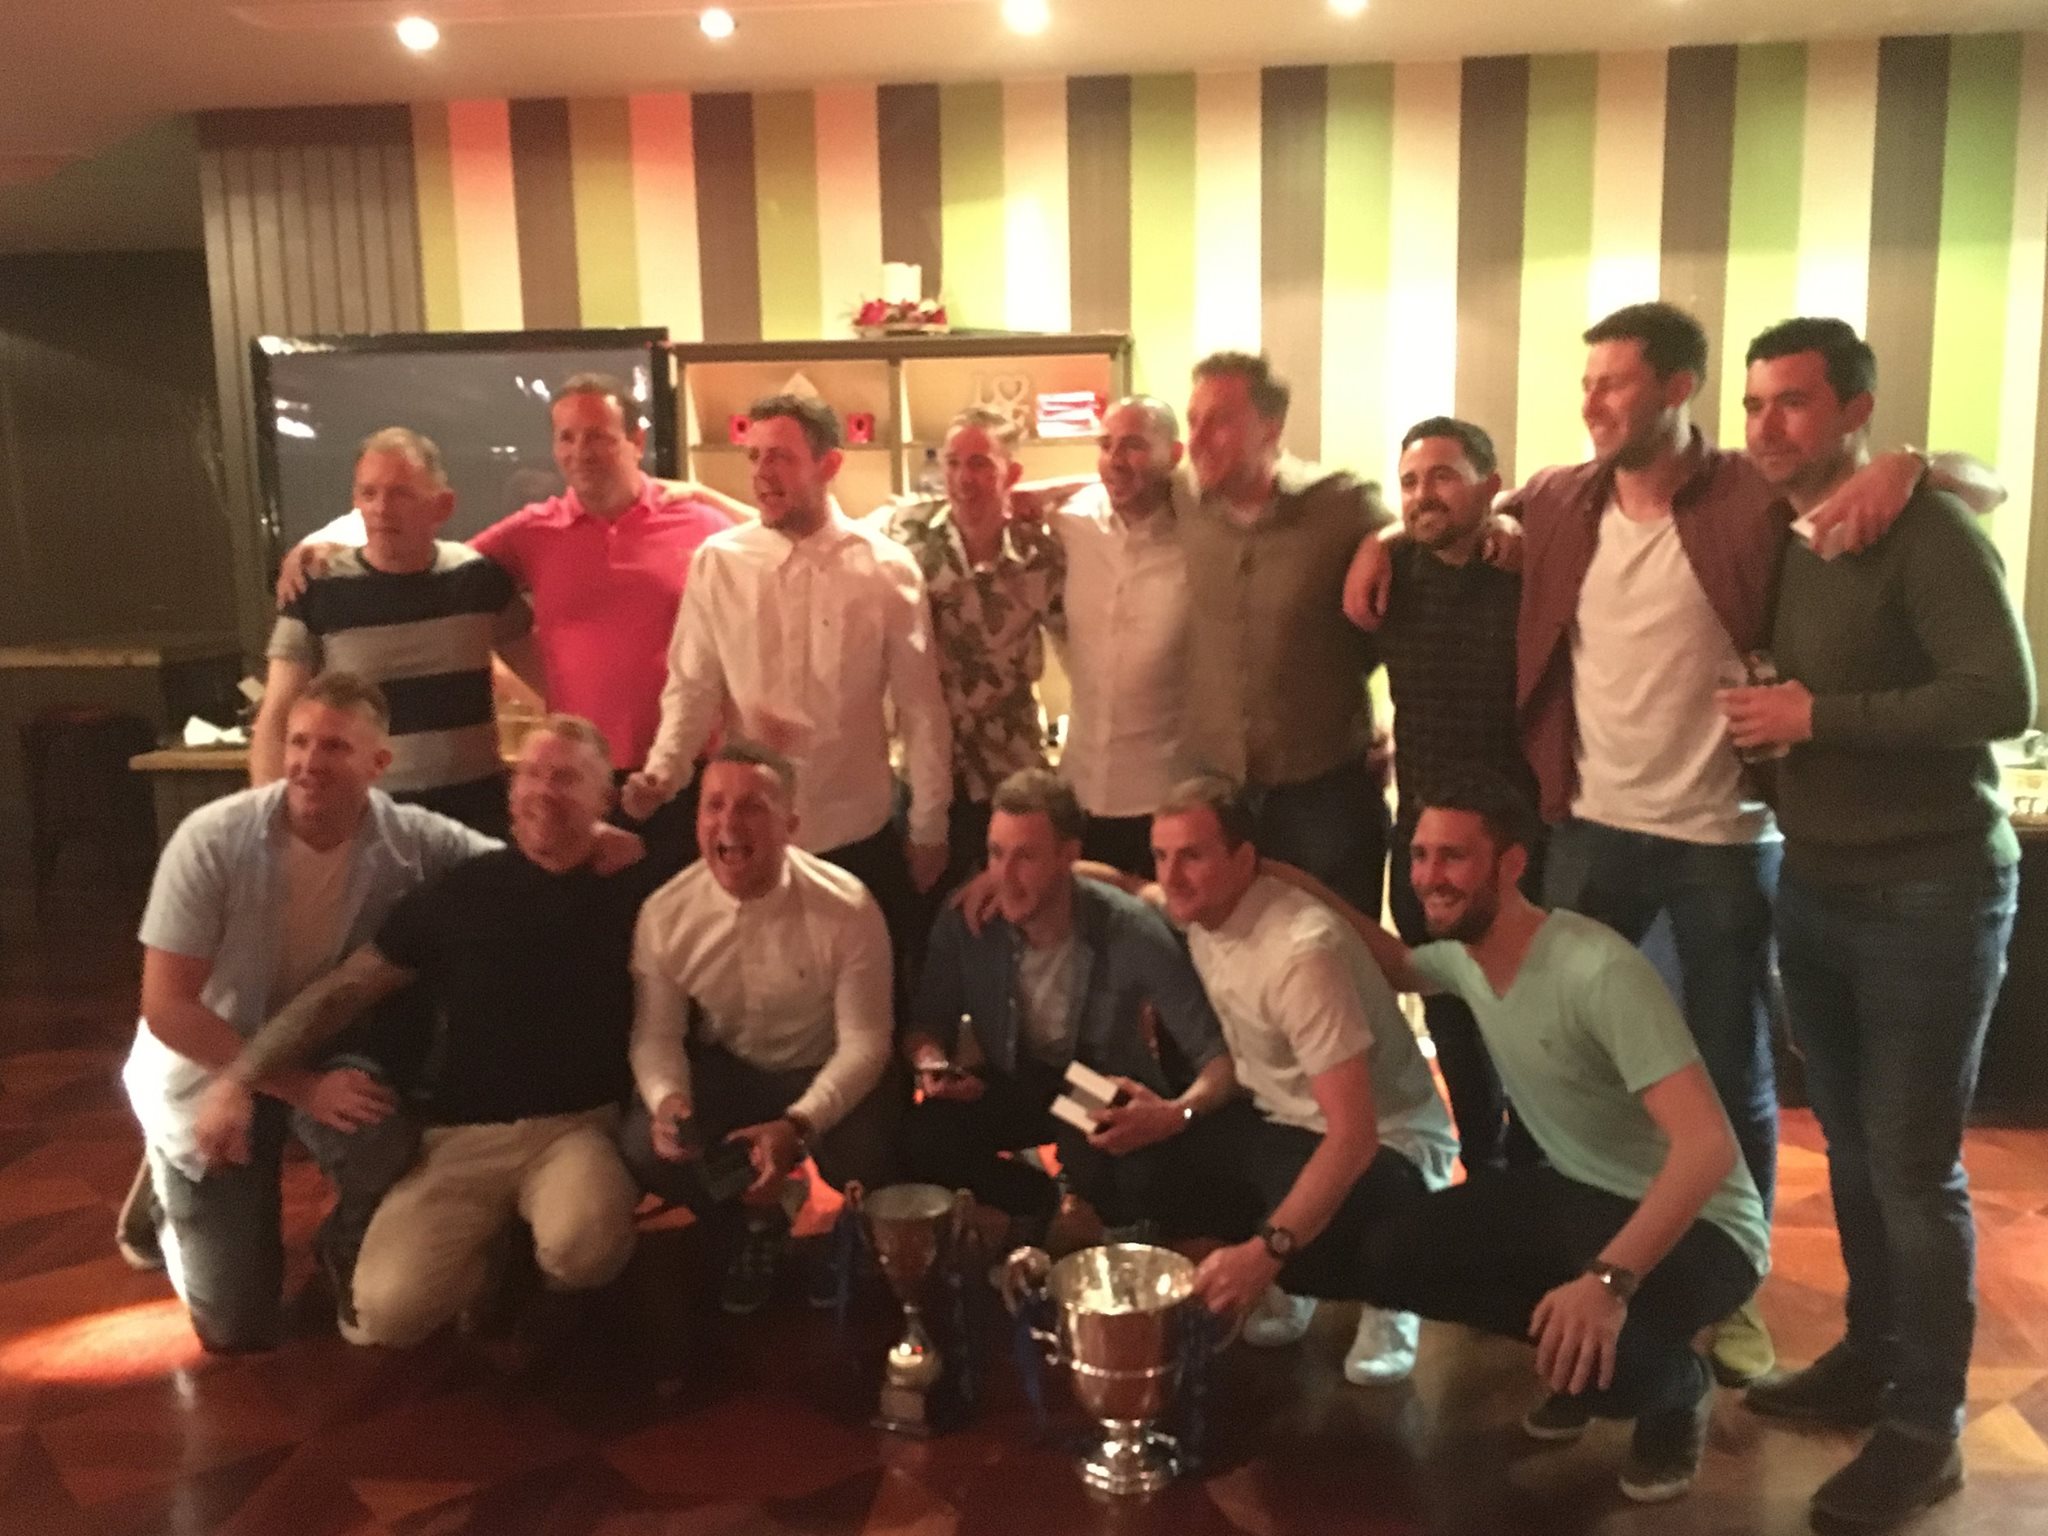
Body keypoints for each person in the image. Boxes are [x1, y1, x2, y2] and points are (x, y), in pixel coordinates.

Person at [1348, 300, 2003, 1387]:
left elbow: (1974, 486)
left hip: (1723, 837)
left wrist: (1907, 463)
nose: (1592, 403)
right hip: (1588, 825)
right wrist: (1379, 537)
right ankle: (1572, 1260)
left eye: (1612, 383)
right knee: (1553, 1049)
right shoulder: (1560, 498)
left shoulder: (1756, 491)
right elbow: (1451, 510)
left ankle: (1726, 1288)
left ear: (1676, 388)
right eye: (1587, 384)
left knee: (1731, 1074)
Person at [1720, 318, 2034, 1529]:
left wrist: (1815, 717)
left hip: (1930, 891)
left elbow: (1999, 696)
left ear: (1854, 411)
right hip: (1817, 882)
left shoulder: (1926, 530)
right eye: (1754, 403)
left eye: (1792, 402)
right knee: (1849, 1150)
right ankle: (1870, 1352)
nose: (1766, 426)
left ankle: (1924, 1427)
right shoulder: (1789, 534)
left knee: (1910, 1166)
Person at [1338, 774, 1769, 1503]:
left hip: (1708, 1227)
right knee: (1391, 1255)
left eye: (1453, 857)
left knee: (1614, 1357)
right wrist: (1274, 877)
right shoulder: (1464, 957)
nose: (1428, 877)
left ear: (1510, 864)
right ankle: (1579, 1361)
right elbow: (1394, 964)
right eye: (1419, 855)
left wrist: (1606, 1284)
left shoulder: (1597, 970)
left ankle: (1675, 1387)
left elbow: (1707, 1150)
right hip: (1575, 1192)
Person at [190, 716, 663, 1348]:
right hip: (458, 1139)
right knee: (386, 1316)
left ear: (604, 799)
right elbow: (344, 991)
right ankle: (494, 1261)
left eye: (566, 778)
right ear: (510, 791)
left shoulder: (638, 888)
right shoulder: (463, 888)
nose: (543, 791)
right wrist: (240, 1078)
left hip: (576, 1129)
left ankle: (545, 1277)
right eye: (530, 774)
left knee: (586, 1245)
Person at [122, 672, 494, 1352]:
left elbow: (511, 873)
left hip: (320, 1051)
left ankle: (341, 1246)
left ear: (379, 763)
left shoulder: (411, 839)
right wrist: (294, 1088)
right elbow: (167, 1008)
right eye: (298, 742)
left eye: (334, 747)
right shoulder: (212, 841)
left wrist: (592, 838)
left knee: (382, 1135)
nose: (307, 763)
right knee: (236, 1327)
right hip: (208, 1063)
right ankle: (165, 1187)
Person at [282, 376, 741, 874]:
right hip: (581, 782)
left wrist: (706, 493)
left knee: (691, 915)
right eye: (566, 437)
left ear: (636, 440)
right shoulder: (532, 531)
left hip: (688, 770)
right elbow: (422, 558)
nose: (580, 451)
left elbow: (779, 540)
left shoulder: (699, 522)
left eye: (597, 436)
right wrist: (324, 544)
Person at [626, 394, 953, 965]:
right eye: (754, 457)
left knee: (871, 994)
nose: (761, 474)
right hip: (748, 840)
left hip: (854, 831)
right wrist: (664, 772)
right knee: (755, 997)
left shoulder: (887, 568)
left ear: (830, 464)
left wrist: (929, 826)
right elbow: (692, 689)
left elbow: (921, 711)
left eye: (780, 456)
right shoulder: (718, 561)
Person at [1155, 775, 1459, 1386]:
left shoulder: (1301, 953)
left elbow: (1354, 1137)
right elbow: (1126, 887)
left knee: (1327, 1205)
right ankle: (1303, 1278)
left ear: (1244, 859)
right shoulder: (1202, 909)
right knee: (1162, 1164)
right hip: (1286, 1121)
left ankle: (1391, 1294)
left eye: (1191, 856)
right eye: (1161, 856)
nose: (1171, 876)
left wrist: (1264, 1253)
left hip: (1389, 1141)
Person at [623, 741, 899, 1315]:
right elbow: (656, 1036)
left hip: (825, 1067)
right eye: (714, 805)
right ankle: (755, 1222)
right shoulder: (664, 914)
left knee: (874, 1153)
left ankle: (849, 1235)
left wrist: (797, 1126)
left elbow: (866, 1044)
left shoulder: (848, 907)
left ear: (791, 825)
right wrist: (668, 1101)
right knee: (646, 1148)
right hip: (736, 1070)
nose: (729, 823)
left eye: (751, 806)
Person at [901, 769, 1232, 1240]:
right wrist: (933, 1063)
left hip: (1093, 1085)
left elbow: (1216, 1058)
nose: (1004, 877)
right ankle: (1042, 1208)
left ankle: (1075, 1218)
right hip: (1013, 1075)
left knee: (1143, 1176)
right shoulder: (966, 920)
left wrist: (1175, 1113)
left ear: (1069, 856)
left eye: (1026, 857)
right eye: (996, 854)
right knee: (924, 1137)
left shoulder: (1129, 927)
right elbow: (926, 1025)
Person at [1375, 416, 1541, 1178]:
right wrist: (1377, 541)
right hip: (1420, 835)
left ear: (1490, 486)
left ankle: (1536, 1180)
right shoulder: (1392, 573)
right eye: (1410, 481)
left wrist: (1511, 526)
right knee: (1450, 1014)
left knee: (1529, 1018)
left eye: (1443, 476)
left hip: (1516, 839)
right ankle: (1482, 1172)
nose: (1423, 495)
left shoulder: (1526, 571)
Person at [1177, 353, 1395, 918]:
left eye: (1219, 421)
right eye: (1192, 420)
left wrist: (1384, 541)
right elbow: (1113, 476)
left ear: (1270, 427)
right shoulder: (1180, 500)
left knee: (1342, 949)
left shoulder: (1342, 506)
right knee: (1234, 953)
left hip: (1324, 793)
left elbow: (1430, 534)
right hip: (1218, 797)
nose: (1197, 439)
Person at [254, 427, 531, 836]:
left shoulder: (478, 580)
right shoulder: (317, 588)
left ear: (443, 505)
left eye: (401, 494)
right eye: (369, 493)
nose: (382, 508)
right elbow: (277, 717)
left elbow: (549, 678)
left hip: (476, 818)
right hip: (365, 826)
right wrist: (269, 831)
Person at [882, 409, 1065, 891]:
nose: (964, 478)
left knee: (1016, 907)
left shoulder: (1040, 555)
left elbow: (1083, 651)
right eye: (953, 462)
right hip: (926, 775)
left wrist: (1046, 493)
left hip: (1010, 772)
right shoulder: (904, 534)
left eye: (981, 463)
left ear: (1012, 473)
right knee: (924, 913)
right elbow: (823, 530)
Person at [1042, 396, 1193, 878]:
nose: (1114, 459)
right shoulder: (1072, 521)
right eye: (1105, 445)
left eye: (1133, 445)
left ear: (1174, 454)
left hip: (1165, 797)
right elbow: (1007, 500)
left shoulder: (1202, 536)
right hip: (1078, 790)